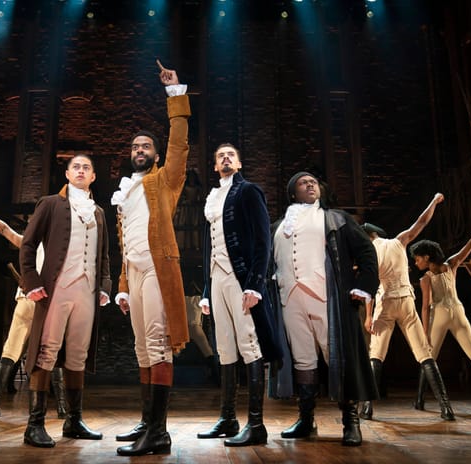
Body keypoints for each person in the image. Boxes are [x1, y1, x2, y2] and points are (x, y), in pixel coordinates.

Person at [111, 60, 190, 456]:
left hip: (159, 270)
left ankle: (159, 431)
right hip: (135, 273)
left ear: (156, 155)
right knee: (142, 349)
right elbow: (125, 242)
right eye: (134, 146)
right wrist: (123, 285)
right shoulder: (125, 190)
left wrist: (174, 95)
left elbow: (179, 145)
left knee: (158, 346)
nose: (138, 150)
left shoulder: (165, 180)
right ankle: (147, 424)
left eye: (145, 146)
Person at [272, 172, 379, 446]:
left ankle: (350, 421)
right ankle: (306, 419)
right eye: (302, 182)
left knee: (337, 356)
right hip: (290, 299)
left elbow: (367, 253)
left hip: (326, 296)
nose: (310, 184)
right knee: (303, 360)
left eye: (313, 182)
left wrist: (363, 286)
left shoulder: (336, 218)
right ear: (292, 193)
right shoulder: (278, 226)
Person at [19, 154, 111, 448]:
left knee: (77, 356)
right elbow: (28, 244)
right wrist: (31, 281)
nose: (81, 171)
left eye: (86, 168)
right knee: (46, 352)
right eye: (76, 167)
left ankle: (74, 421)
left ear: (93, 176)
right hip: (56, 289)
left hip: (87, 291)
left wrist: (105, 285)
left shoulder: (98, 212)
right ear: (68, 174)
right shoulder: (50, 204)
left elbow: (105, 255)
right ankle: (34, 424)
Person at [196, 143, 281, 447]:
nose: (226, 158)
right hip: (217, 279)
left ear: (239, 163)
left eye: (231, 155)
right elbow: (210, 249)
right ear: (215, 165)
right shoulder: (212, 198)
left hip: (241, 278)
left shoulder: (248, 191)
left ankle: (256, 424)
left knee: (249, 342)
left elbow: (263, 240)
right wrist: (207, 290)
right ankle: (228, 418)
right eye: (221, 156)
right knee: (224, 347)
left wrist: (255, 284)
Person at [359, 193, 455, 421]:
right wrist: (434, 201)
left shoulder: (368, 253)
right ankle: (446, 407)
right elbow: (421, 222)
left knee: (376, 355)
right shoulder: (398, 241)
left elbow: (369, 286)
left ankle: (367, 407)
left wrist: (369, 315)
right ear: (376, 234)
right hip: (406, 301)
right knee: (424, 354)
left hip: (385, 303)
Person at [0, 204, 68, 420]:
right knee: (53, 353)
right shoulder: (62, 247)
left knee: (10, 351)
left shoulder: (30, 243)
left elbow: (5, 230)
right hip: (47, 304)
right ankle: (62, 407)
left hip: (26, 300)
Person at [410, 217, 471, 412]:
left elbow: (425, 307)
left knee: (427, 358)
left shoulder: (426, 278)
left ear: (426, 257)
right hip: (458, 311)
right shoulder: (451, 264)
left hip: (440, 312)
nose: (416, 263)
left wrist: (424, 333)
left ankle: (419, 400)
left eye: (417, 258)